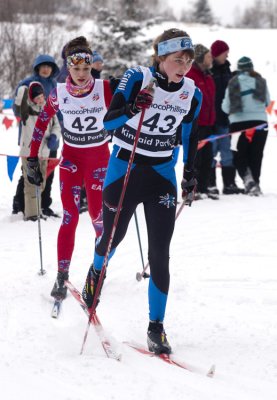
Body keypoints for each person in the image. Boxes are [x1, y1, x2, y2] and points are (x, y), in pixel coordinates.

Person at [82, 28, 202, 354]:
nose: (184, 66)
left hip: (162, 175)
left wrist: (191, 172)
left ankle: (156, 328)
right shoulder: (137, 77)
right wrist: (134, 107)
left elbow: (190, 137)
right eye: (178, 59)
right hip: (125, 170)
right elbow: (108, 123)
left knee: (159, 253)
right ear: (160, 57)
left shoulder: (192, 91)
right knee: (111, 239)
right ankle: (95, 273)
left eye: (189, 60)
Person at [26, 36, 113, 299]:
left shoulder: (105, 88)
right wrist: (32, 158)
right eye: (76, 69)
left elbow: (127, 114)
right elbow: (42, 123)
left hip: (100, 162)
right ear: (68, 68)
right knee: (70, 217)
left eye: (86, 69)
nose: (82, 74)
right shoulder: (59, 93)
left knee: (99, 218)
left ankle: (99, 270)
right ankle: (61, 275)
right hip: (72, 163)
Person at [12, 54, 60, 217]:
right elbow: (18, 109)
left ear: (53, 69)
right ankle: (20, 204)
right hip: (30, 136)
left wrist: (58, 134)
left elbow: (58, 112)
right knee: (29, 172)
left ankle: (44, 204)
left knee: (49, 172)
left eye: (49, 66)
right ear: (38, 67)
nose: (46, 69)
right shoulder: (27, 84)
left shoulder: (55, 85)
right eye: (43, 66)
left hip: (50, 137)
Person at [222, 56, 270, 196]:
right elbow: (267, 102)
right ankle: (255, 184)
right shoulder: (261, 81)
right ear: (251, 67)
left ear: (239, 69)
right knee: (256, 154)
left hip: (238, 124)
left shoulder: (233, 82)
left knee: (239, 155)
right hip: (260, 123)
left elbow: (226, 107)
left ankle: (248, 181)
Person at [210, 40, 242, 195]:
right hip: (211, 119)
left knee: (227, 153)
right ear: (216, 54)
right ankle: (210, 185)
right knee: (210, 153)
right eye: (224, 53)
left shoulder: (228, 70)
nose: (227, 55)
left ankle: (229, 184)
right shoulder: (210, 70)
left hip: (226, 119)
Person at [186, 44, 217, 199]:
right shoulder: (190, 76)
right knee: (195, 159)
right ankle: (193, 190)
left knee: (207, 158)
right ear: (199, 58)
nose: (211, 58)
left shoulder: (209, 77)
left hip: (209, 124)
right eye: (208, 56)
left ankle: (204, 188)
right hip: (196, 124)